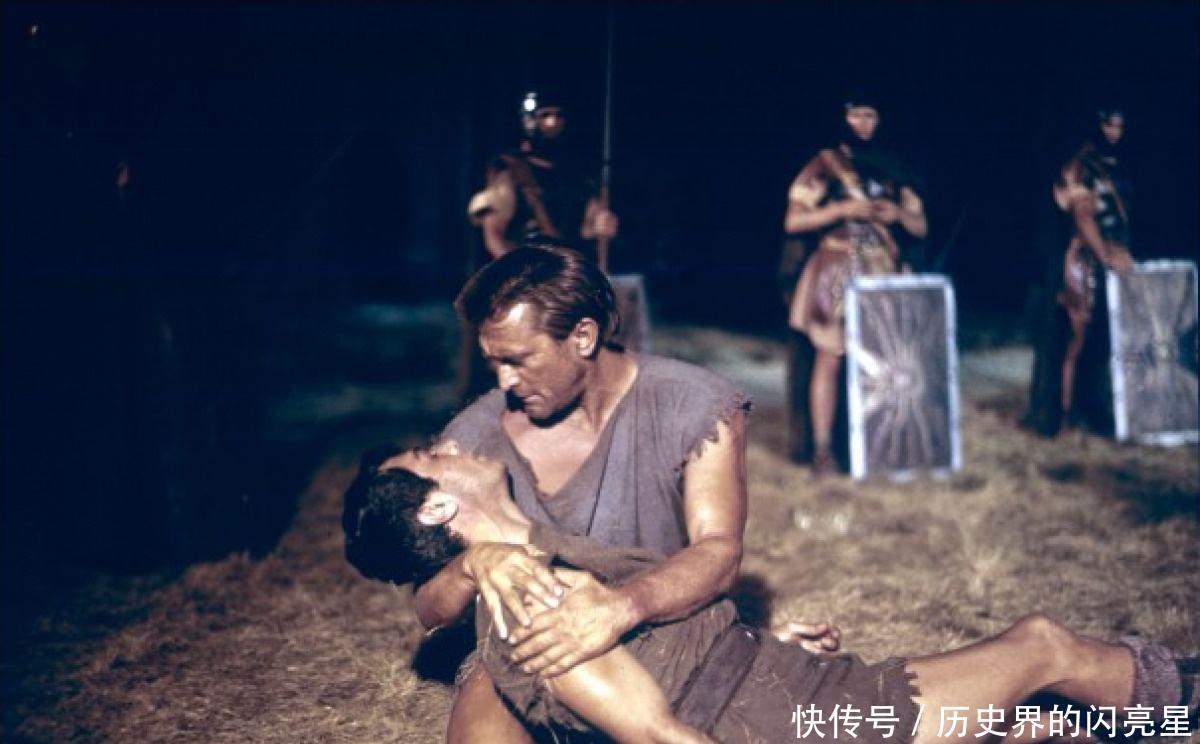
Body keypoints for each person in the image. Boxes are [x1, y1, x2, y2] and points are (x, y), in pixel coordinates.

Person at [344, 449, 1200, 744]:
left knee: (1032, 712)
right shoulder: (527, 600)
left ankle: (1155, 717)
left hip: (782, 688)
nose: (451, 445)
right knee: (1041, 647)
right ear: (436, 507)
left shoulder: (535, 558)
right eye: (432, 455)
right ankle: (1180, 704)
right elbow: (660, 734)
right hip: (788, 721)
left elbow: (653, 655)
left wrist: (755, 638)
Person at [410, 244, 754, 743]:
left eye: (518, 360)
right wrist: (471, 565)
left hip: (661, 631)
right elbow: (429, 608)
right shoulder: (472, 440)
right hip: (525, 645)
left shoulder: (696, 406)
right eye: (494, 362)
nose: (505, 381)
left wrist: (621, 607)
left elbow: (719, 551)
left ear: (584, 337)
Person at [784, 94, 927, 474]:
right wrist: (842, 210)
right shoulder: (826, 163)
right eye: (857, 115)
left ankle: (879, 445)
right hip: (836, 270)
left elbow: (920, 226)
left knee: (883, 362)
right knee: (830, 358)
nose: (864, 123)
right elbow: (794, 220)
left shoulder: (894, 167)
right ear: (844, 117)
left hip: (882, 273)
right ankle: (822, 449)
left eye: (871, 115)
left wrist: (898, 214)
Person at [1025, 108, 1134, 436]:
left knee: (1095, 343)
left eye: (1119, 126)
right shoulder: (1081, 165)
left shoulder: (1110, 165)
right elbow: (1082, 216)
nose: (1114, 132)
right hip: (1079, 263)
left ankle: (1089, 413)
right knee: (1071, 342)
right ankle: (1058, 417)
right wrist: (1104, 255)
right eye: (1109, 125)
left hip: (1100, 259)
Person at [468, 89, 618, 263]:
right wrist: (519, 270)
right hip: (526, 266)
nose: (553, 122)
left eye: (558, 116)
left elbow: (588, 224)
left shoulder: (575, 173)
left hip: (566, 267)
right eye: (545, 115)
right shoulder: (512, 169)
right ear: (530, 120)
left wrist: (600, 225)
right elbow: (494, 234)